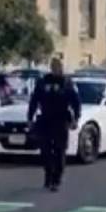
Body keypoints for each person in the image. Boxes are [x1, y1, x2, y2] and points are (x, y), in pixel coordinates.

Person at [27, 58, 81, 192]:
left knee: (59, 151)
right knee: (45, 151)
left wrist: (75, 119)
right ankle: (48, 176)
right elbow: (34, 100)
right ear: (51, 67)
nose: (57, 69)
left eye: (59, 66)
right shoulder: (43, 82)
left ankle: (56, 179)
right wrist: (30, 118)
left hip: (61, 120)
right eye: (54, 66)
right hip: (45, 120)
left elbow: (75, 102)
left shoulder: (67, 83)